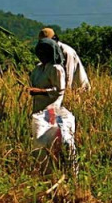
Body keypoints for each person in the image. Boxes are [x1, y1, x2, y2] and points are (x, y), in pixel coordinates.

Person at [29, 30, 78, 174]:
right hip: (39, 110)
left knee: (55, 138)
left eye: (45, 51)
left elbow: (59, 89)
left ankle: (62, 170)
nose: (41, 54)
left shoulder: (56, 69)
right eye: (40, 51)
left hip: (52, 111)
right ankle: (45, 171)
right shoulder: (38, 69)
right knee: (39, 139)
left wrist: (40, 91)